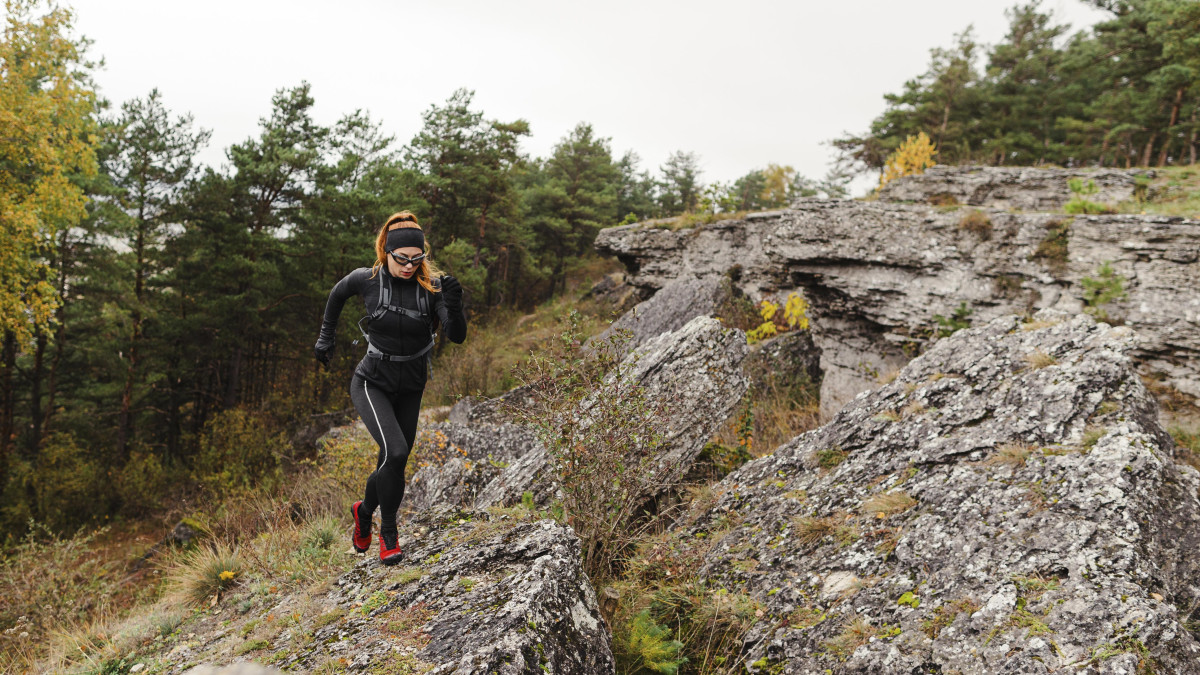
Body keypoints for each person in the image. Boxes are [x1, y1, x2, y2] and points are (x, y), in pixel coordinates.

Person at [313, 211, 466, 565]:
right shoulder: (366, 280)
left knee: (391, 461)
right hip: (372, 382)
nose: (410, 266)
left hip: (411, 385)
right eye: (402, 259)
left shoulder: (433, 288)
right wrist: (325, 338)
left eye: (417, 258)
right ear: (386, 252)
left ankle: (363, 511)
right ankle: (389, 534)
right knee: (396, 453)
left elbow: (456, 336)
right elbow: (336, 296)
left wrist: (455, 307)